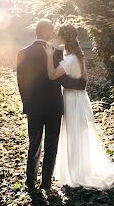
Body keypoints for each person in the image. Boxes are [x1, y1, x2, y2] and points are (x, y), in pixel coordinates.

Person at [44, 23, 114, 190]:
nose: (57, 37)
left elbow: (51, 76)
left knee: (73, 134)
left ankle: (77, 174)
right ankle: (80, 169)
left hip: (72, 99)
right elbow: (84, 80)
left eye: (59, 34)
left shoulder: (71, 59)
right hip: (79, 98)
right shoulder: (78, 56)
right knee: (79, 134)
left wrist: (49, 56)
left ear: (64, 37)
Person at [17, 19, 87, 190]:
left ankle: (30, 180)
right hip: (54, 106)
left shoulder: (22, 53)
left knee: (34, 143)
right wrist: (80, 84)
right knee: (51, 144)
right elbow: (62, 79)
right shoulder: (56, 53)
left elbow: (21, 83)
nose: (54, 33)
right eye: (52, 30)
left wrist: (27, 103)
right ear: (44, 31)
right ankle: (46, 183)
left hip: (33, 106)